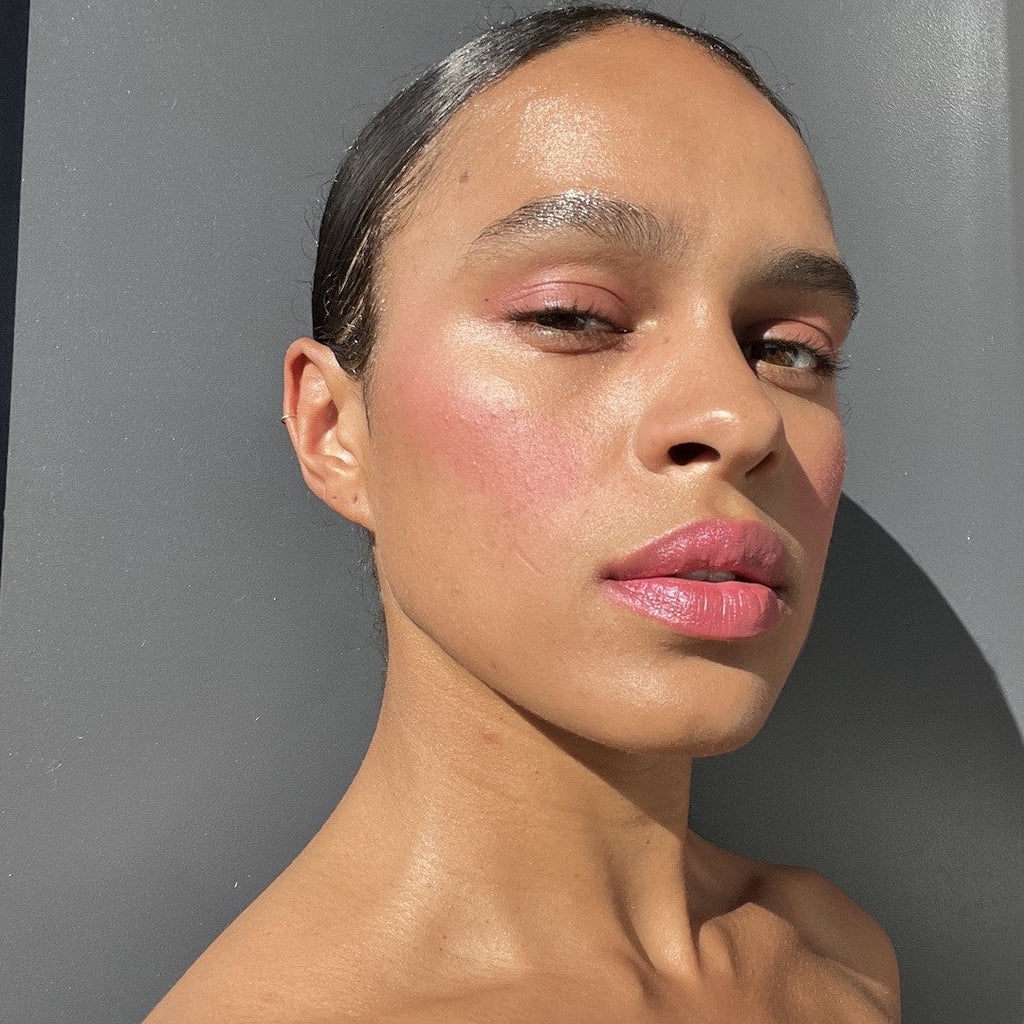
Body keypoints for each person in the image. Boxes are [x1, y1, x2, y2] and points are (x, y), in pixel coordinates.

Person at [145, 6, 900, 1021]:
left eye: (788, 346)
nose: (739, 415)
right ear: (334, 429)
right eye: (570, 316)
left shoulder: (837, 958)